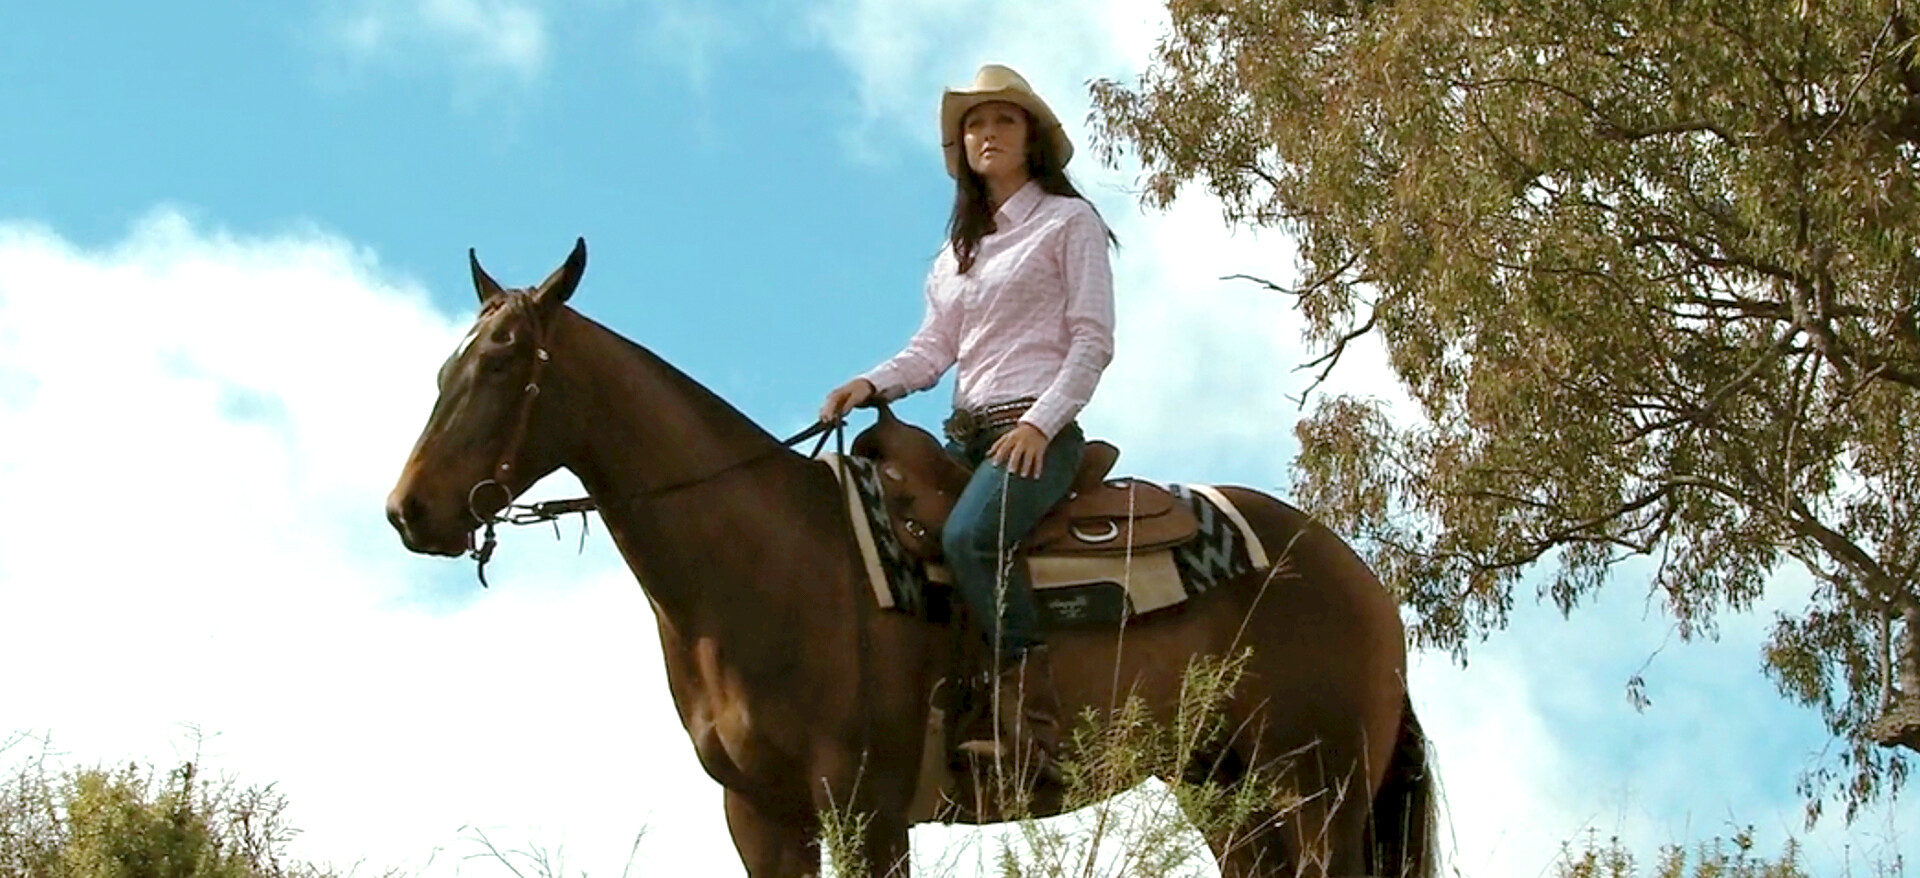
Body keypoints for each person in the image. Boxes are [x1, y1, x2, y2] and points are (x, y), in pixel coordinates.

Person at [819, 63, 1117, 780]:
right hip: (966, 439)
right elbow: (932, 350)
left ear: (1031, 137)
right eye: (975, 124)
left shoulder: (1068, 222)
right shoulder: (958, 255)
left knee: (970, 537)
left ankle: (1035, 726)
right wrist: (870, 382)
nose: (987, 133)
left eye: (1003, 120)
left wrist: (1040, 426)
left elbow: (1092, 341)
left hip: (1037, 435)